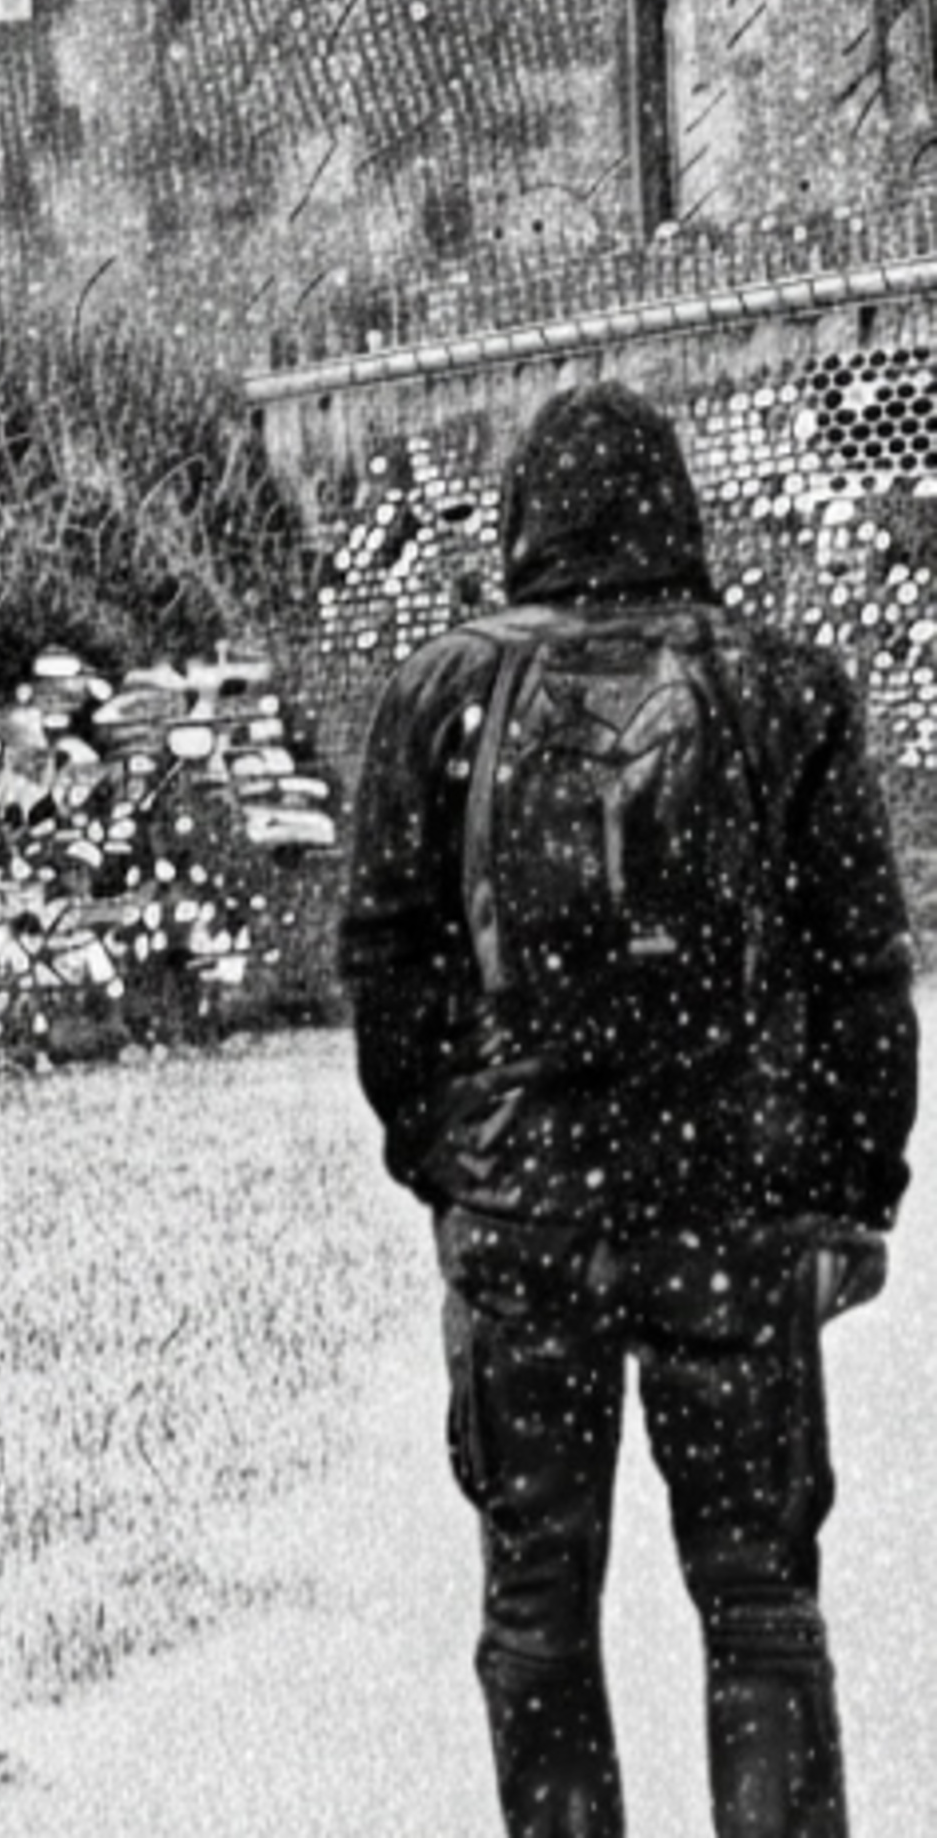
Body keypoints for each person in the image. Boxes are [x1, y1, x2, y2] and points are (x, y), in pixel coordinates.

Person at [340, 377, 918, 1838]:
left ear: (527, 516)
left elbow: (388, 962)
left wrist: (448, 1164)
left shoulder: (439, 694)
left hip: (525, 1219)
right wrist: (853, 1196)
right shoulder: (784, 688)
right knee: (761, 1607)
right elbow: (860, 967)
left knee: (538, 1610)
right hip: (730, 1210)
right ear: (676, 507)